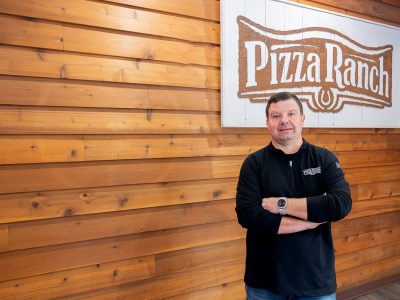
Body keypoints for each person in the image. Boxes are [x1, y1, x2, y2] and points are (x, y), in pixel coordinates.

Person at [235, 92, 352, 300]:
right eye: (276, 116)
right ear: (267, 123)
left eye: (291, 113)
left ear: (302, 118)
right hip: (264, 283)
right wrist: (309, 221)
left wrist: (280, 205)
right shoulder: (254, 164)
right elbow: (248, 215)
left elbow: (340, 204)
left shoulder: (323, 158)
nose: (284, 121)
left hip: (315, 283)